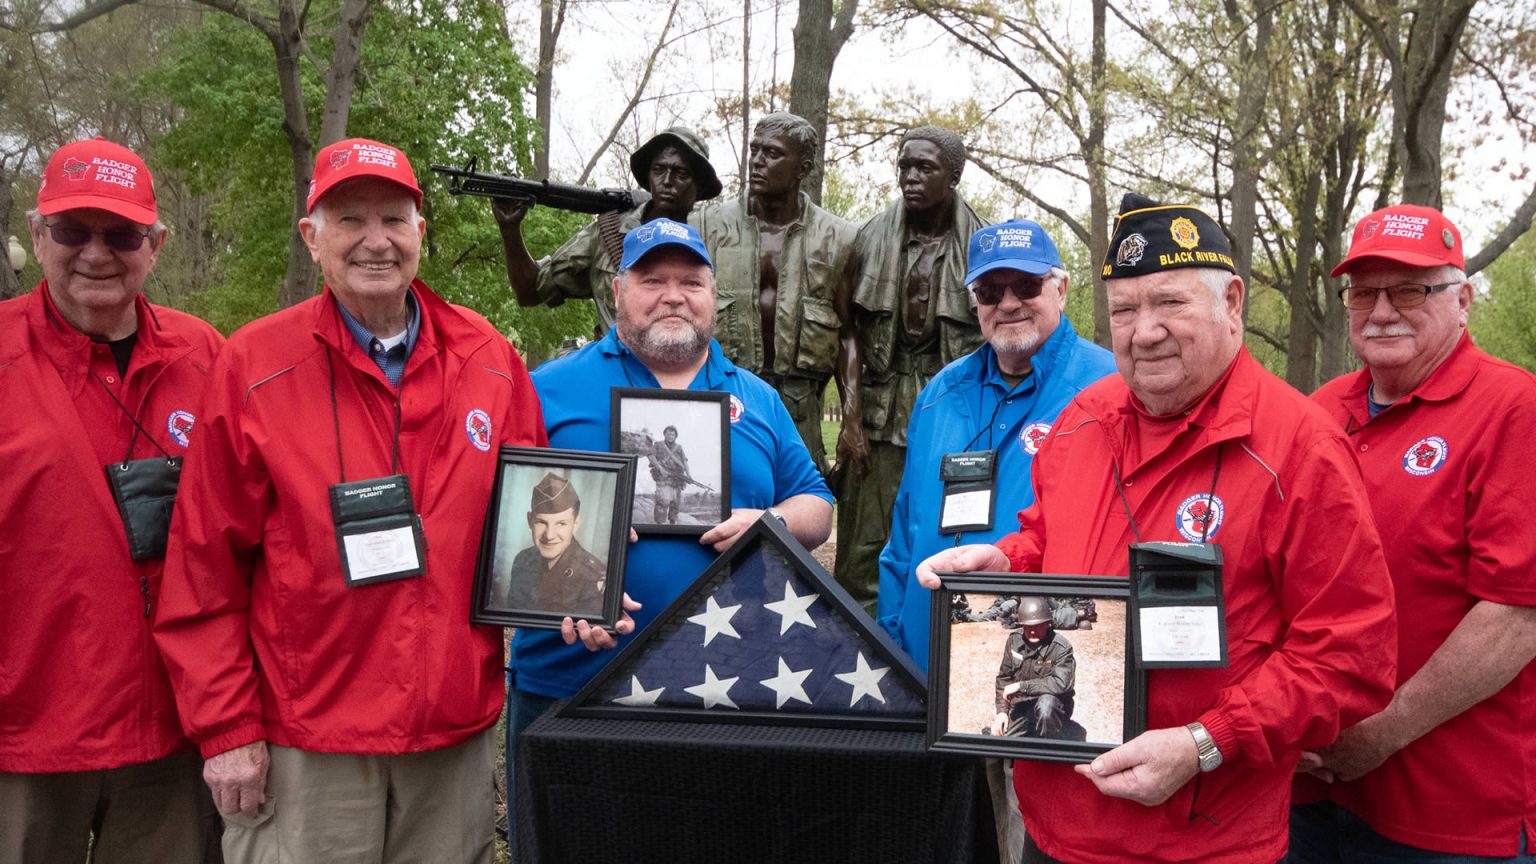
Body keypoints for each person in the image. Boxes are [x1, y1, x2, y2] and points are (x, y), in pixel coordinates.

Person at [916, 194, 1398, 864]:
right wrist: (1004, 562)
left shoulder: (1301, 449)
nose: (1144, 331)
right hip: (1056, 828)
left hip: (1203, 839)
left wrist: (1207, 741)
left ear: (1232, 302)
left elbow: (1349, 656)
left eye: (1169, 303)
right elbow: (1046, 544)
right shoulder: (1083, 417)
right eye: (1124, 310)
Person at [155, 138, 546, 863]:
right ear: (312, 238)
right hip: (309, 742)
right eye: (349, 220)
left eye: (394, 219)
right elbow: (202, 567)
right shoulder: (255, 365)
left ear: (421, 233)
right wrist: (227, 729)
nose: (375, 241)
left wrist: (580, 588)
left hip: (449, 739)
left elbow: (543, 517)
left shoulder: (488, 360)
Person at [505, 217, 833, 859]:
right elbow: (503, 512)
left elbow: (816, 504)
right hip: (571, 682)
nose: (673, 295)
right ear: (619, 291)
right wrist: (568, 566)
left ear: (714, 297)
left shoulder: (757, 398)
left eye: (691, 281)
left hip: (722, 687)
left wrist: (771, 522)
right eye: (652, 279)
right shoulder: (547, 388)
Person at [1288, 205, 1536, 862]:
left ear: (1463, 300)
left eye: (1408, 290)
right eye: (1363, 291)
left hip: (1451, 805)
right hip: (1313, 788)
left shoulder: (1513, 409)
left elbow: (1517, 614)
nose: (1381, 310)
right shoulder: (1321, 409)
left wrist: (1386, 729)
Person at [0, 137, 224, 864]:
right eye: (72, 231)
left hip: (172, 735)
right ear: (37, 238)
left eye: (121, 234)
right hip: (24, 735)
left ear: (154, 245)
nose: (96, 252)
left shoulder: (207, 358)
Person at [876, 218, 1114, 669]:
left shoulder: (1110, 389)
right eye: (989, 291)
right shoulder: (938, 395)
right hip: (924, 657)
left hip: (1040, 655)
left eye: (1026, 285)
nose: (1008, 303)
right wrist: (890, 640)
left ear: (1060, 288)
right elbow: (904, 536)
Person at [835, 125, 988, 612]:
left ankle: (935, 652)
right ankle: (857, 650)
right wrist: (852, 420)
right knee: (863, 543)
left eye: (926, 167)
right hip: (879, 408)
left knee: (948, 531)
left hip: (954, 409)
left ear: (955, 176)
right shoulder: (867, 239)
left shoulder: (982, 247)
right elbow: (847, 331)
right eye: (904, 166)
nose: (911, 176)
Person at [693, 112, 855, 473]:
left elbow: (848, 335)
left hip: (801, 409)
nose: (758, 160)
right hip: (724, 398)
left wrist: (851, 418)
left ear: (804, 167)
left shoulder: (839, 239)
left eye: (773, 153)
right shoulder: (704, 227)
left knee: (800, 511)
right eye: (755, 149)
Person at [494, 127, 722, 335]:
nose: (667, 181)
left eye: (681, 174)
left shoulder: (717, 241)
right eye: (659, 170)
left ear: (699, 186)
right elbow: (530, 291)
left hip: (691, 376)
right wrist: (510, 229)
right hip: (615, 373)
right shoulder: (608, 232)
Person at [498, 472, 606, 615]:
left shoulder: (593, 575)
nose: (549, 535)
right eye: (541, 522)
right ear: (530, 520)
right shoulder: (522, 560)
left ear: (576, 524)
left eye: (561, 523)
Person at [992, 597, 1075, 740]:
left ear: (1048, 623)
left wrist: (1022, 686)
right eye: (1027, 626)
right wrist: (1002, 712)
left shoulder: (1061, 647)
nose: (1032, 631)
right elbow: (1004, 678)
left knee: (1046, 706)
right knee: (1000, 740)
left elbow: (1061, 683)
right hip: (1023, 704)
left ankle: (1049, 748)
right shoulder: (1014, 641)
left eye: (1038, 625)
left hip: (1052, 706)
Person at [649, 424, 690, 523]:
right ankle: (660, 524)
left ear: (675, 436)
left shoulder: (679, 447)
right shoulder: (658, 444)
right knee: (662, 501)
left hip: (677, 478)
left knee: (676, 503)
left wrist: (688, 474)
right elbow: (650, 455)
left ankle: (673, 522)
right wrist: (660, 468)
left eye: (672, 434)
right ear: (664, 434)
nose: (670, 436)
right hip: (663, 478)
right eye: (668, 434)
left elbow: (684, 461)